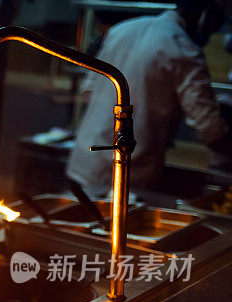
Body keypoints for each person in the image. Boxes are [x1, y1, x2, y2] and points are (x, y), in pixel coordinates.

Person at [67, 0, 232, 196]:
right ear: (205, 16)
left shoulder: (122, 30)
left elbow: (88, 90)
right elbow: (210, 130)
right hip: (126, 177)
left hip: (83, 164)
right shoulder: (184, 49)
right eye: (215, 25)